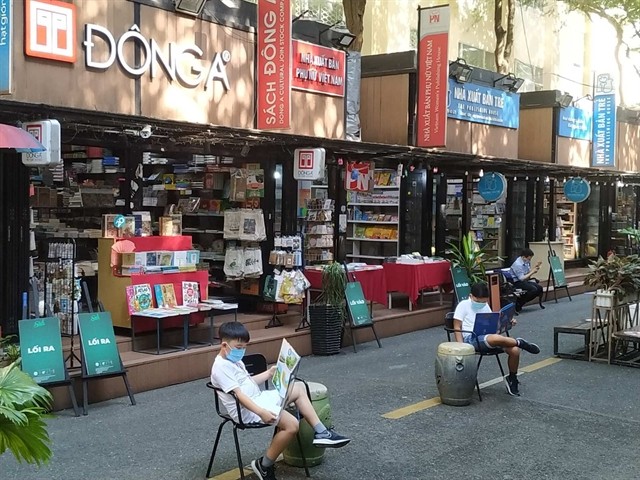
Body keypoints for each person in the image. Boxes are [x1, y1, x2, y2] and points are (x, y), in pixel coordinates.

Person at [210, 322, 350, 480]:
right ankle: (264, 465)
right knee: (292, 425)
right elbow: (240, 396)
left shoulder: (233, 360)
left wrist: (269, 373)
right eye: (239, 347)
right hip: (247, 410)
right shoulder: (221, 367)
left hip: (258, 399)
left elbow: (247, 383)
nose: (242, 351)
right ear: (224, 345)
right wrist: (261, 412)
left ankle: (322, 432)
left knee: (298, 387)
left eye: (245, 347)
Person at [453, 283, 541, 396]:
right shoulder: (463, 305)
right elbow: (457, 327)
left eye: (484, 301)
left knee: (514, 351)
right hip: (471, 338)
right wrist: (461, 346)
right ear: (471, 296)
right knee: (494, 338)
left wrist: (507, 322)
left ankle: (512, 378)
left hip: (488, 336)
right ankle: (520, 342)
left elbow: (492, 323)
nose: (481, 304)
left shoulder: (485, 305)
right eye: (478, 301)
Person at [510, 248, 544, 312]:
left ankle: (522, 301)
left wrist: (535, 268)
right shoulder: (517, 264)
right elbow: (521, 278)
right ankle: (519, 303)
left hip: (524, 281)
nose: (529, 261)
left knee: (539, 288)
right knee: (533, 289)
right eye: (528, 259)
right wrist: (532, 272)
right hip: (516, 282)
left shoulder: (526, 262)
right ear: (523, 257)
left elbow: (527, 274)